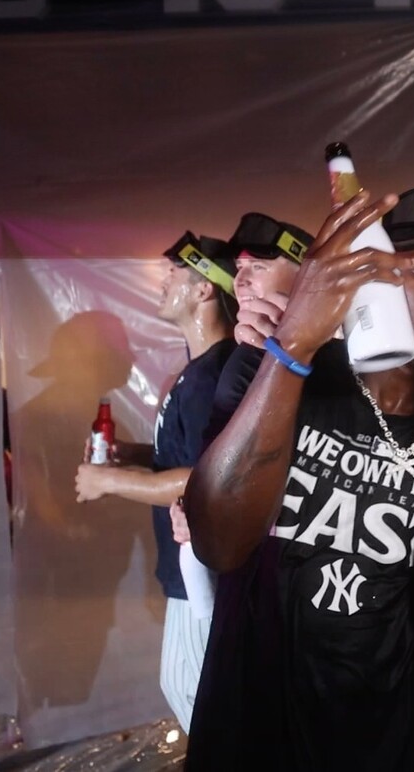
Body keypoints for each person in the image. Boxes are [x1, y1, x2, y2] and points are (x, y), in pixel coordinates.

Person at [183, 185, 414, 771]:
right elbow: (217, 541)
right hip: (256, 737)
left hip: (397, 745)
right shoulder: (275, 364)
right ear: (375, 276)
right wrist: (292, 343)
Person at [72, 232, 238, 733]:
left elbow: (204, 480)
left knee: (199, 698)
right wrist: (134, 455)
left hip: (200, 569)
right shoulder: (199, 372)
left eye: (175, 273)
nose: (163, 280)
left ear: (205, 291)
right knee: (188, 688)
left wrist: (110, 480)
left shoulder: (212, 376)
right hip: (189, 569)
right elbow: (188, 458)